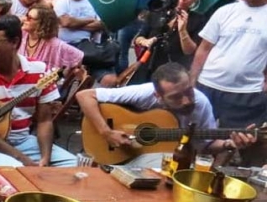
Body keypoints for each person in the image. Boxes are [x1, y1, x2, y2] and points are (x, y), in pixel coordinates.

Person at [77, 63, 255, 168]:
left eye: (188, 92)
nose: (186, 101)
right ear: (158, 96)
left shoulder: (201, 104)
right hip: (126, 155)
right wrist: (106, 132)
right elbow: (84, 95)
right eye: (176, 97)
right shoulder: (144, 92)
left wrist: (229, 143)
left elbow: (206, 145)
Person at [0, 16, 76, 167]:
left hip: (23, 141)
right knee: (19, 170)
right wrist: (22, 159)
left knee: (75, 164)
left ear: (14, 42)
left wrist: (45, 159)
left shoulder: (39, 70)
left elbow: (44, 121)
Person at [190, 0, 267, 136]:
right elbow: (204, 48)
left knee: (237, 140)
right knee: (195, 134)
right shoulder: (225, 11)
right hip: (208, 84)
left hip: (246, 92)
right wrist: (192, 79)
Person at [131, 0, 205, 79]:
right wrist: (146, 42)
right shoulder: (158, 11)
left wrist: (182, 30)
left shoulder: (198, 19)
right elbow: (138, 38)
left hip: (173, 74)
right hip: (147, 67)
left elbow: (189, 51)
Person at [20, 3, 84, 80]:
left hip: (43, 86)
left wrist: (60, 76)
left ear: (42, 23)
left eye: (29, 18)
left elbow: (78, 57)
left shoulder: (55, 44)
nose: (24, 19)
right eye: (26, 15)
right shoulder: (21, 34)